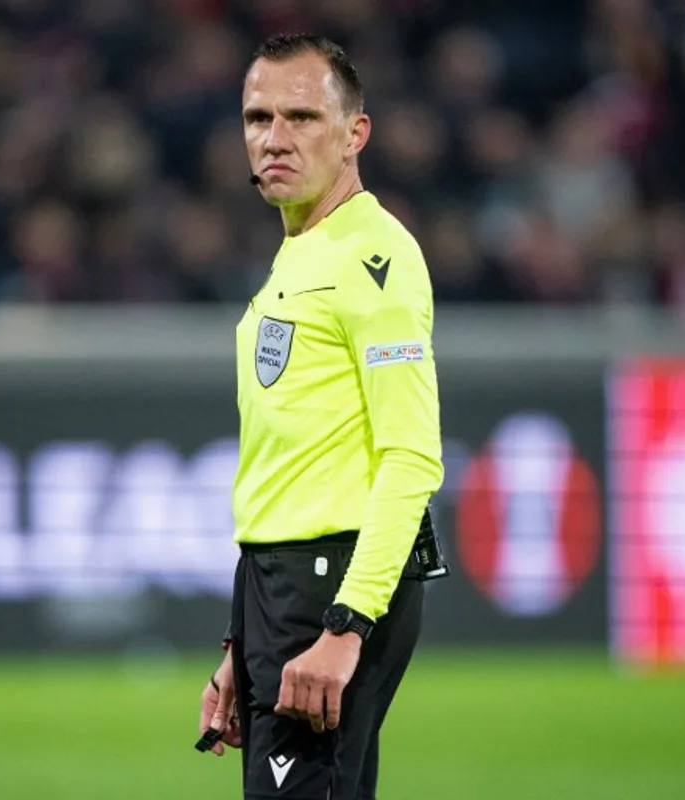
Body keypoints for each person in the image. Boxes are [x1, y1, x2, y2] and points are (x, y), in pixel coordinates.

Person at [196, 33, 447, 800]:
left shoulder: (374, 259)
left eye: (302, 117)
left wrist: (345, 630)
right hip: (282, 587)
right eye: (257, 117)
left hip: (332, 590)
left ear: (354, 134)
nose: (274, 138)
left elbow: (412, 460)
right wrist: (245, 639)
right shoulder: (302, 253)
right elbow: (293, 464)